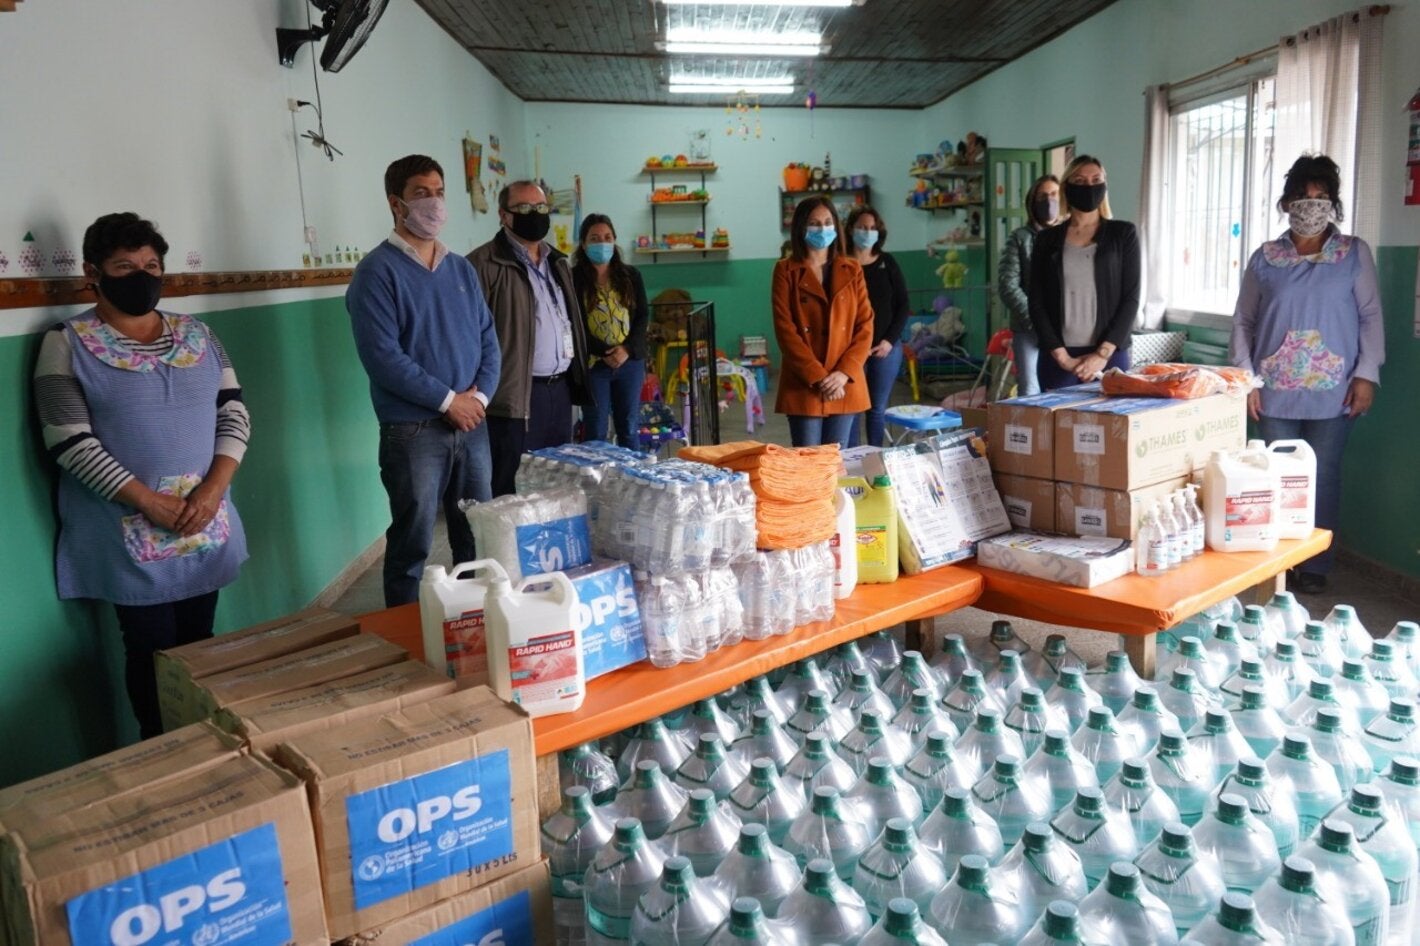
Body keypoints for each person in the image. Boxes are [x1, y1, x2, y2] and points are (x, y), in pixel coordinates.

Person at [34, 212, 249, 738]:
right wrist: (149, 502)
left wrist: (214, 488)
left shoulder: (199, 334)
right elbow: (68, 438)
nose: (142, 275)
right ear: (93, 272)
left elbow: (233, 412)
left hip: (204, 520)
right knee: (150, 648)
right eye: (124, 266)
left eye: (151, 265)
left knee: (201, 640)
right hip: (127, 528)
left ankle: (206, 736)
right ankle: (162, 745)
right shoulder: (67, 342)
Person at [347, 154, 501, 607]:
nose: (433, 202)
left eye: (438, 192)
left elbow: (489, 339)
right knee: (413, 542)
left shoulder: (460, 269)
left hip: (472, 424)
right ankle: (405, 639)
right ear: (397, 203)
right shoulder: (377, 272)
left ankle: (477, 621)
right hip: (414, 431)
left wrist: (480, 398)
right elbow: (383, 358)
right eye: (421, 193)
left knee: (477, 534)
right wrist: (448, 400)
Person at [1230, 153, 1383, 595]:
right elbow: (1243, 320)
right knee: (1276, 477)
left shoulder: (1352, 254)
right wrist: (1245, 380)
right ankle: (1276, 562)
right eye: (1302, 197)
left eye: (1320, 197)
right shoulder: (1266, 257)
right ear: (1286, 203)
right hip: (1273, 390)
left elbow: (1371, 316)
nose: (1310, 206)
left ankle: (1314, 565)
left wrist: (1366, 375)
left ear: (1333, 204)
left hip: (1334, 391)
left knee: (1323, 476)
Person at [469, 180, 593, 495]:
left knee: (556, 482)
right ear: (503, 215)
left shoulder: (558, 262)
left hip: (560, 389)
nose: (534, 214)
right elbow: (469, 335)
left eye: (540, 207)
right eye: (524, 208)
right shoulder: (482, 264)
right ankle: (508, 546)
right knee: (512, 487)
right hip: (513, 397)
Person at [1028, 154, 1140, 391]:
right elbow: (1036, 302)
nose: (1089, 187)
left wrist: (1101, 354)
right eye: (1079, 181)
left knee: (1110, 426)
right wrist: (1062, 357)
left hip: (1110, 358)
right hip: (1058, 360)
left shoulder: (1123, 234)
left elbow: (1131, 298)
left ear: (1104, 185)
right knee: (1057, 427)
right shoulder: (1046, 240)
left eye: (1095, 179)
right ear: (1067, 187)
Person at [771, 196, 874, 448]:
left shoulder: (852, 268)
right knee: (808, 464)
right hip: (805, 381)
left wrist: (842, 374)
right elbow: (786, 331)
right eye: (814, 223)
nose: (822, 228)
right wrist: (819, 377)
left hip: (844, 382)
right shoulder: (785, 270)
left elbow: (865, 325)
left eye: (828, 222)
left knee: (835, 464)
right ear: (801, 227)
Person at [571, 213, 648, 446]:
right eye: (594, 238)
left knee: (629, 426)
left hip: (630, 362)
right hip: (594, 365)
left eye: (607, 237)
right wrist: (606, 352)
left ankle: (632, 479)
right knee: (596, 428)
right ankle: (597, 481)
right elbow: (575, 323)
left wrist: (625, 350)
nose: (602, 243)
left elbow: (642, 316)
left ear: (614, 240)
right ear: (584, 244)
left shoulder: (631, 276)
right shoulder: (573, 278)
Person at [843, 205, 910, 448]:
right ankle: (849, 462)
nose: (867, 232)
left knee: (877, 408)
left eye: (872, 228)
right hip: (850, 351)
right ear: (851, 229)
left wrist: (889, 341)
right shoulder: (842, 263)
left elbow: (903, 305)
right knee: (851, 408)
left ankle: (876, 457)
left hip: (885, 349)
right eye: (862, 227)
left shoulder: (887, 262)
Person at [998, 174, 1061, 396]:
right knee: (1030, 389)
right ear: (1032, 202)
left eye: (1054, 194)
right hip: (1028, 327)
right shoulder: (1019, 238)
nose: (1049, 200)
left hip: (1064, 327)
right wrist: (1035, 317)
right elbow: (1008, 284)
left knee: (1063, 387)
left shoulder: (1071, 236)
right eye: (1043, 195)